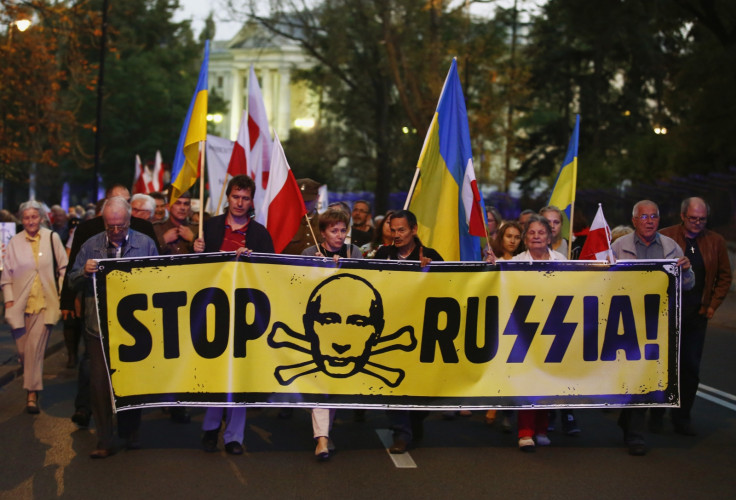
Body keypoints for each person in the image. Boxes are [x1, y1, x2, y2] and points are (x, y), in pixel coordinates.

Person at [61, 184, 159, 428]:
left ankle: (130, 430)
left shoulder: (145, 244)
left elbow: (160, 281)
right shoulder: (91, 245)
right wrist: (83, 272)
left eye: (121, 226)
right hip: (97, 326)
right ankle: (103, 436)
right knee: (98, 382)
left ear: (129, 220)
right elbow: (71, 280)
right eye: (110, 226)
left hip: (135, 328)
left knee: (131, 382)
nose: (115, 231)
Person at [193, 175, 274, 455]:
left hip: (246, 313)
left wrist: (253, 261)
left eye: (245, 198)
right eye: (236, 196)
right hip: (213, 309)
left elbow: (270, 274)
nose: (240, 203)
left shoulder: (260, 234)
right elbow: (194, 272)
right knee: (215, 371)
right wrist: (196, 251)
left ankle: (234, 437)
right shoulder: (209, 228)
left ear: (252, 201)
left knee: (240, 375)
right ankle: (210, 428)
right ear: (227, 197)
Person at [611, 199, 694, 456]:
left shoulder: (671, 247)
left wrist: (687, 271)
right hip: (626, 322)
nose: (649, 221)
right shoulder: (618, 247)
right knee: (631, 376)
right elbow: (601, 281)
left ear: (659, 220)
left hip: (658, 325)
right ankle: (630, 425)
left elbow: (687, 285)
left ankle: (634, 431)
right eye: (644, 217)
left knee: (647, 377)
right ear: (634, 220)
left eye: (653, 217)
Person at [658, 197, 731, 435]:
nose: (698, 223)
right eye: (693, 218)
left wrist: (712, 306)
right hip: (666, 314)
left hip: (696, 314)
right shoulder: (665, 236)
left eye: (702, 219)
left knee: (689, 368)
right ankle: (656, 414)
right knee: (662, 367)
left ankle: (682, 417)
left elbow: (724, 277)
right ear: (682, 216)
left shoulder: (715, 241)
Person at [374, 210, 442, 453]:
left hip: (423, 331)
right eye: (392, 230)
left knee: (421, 387)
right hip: (391, 332)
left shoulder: (431, 256)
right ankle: (401, 433)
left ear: (414, 230)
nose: (396, 235)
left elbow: (452, 285)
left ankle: (415, 420)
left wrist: (432, 272)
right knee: (393, 385)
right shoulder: (384, 254)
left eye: (401, 230)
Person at [300, 208, 363, 461]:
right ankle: (322, 440)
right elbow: (294, 284)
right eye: (334, 231)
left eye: (343, 230)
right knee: (322, 382)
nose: (339, 236)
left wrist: (344, 269)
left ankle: (324, 432)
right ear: (322, 232)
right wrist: (312, 269)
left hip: (347, 328)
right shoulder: (309, 252)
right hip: (318, 326)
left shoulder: (353, 252)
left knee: (333, 384)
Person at [2, 201, 67, 414]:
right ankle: (32, 384)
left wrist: (60, 295)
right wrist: (9, 301)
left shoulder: (52, 238)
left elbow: (63, 268)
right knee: (24, 352)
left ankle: (31, 394)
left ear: (41, 218)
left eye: (34, 217)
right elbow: (6, 276)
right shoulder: (14, 242)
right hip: (19, 306)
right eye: (26, 218)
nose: (31, 221)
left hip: (45, 304)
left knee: (34, 349)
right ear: (22, 220)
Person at [510, 215, 563, 451]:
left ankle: (542, 428)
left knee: (547, 379)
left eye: (541, 232)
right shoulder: (515, 261)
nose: (537, 237)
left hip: (555, 326)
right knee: (527, 379)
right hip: (524, 327)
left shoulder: (561, 260)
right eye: (531, 232)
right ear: (525, 237)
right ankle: (525, 432)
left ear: (549, 236)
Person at [282, 178, 322, 255]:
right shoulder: (285, 223)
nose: (304, 204)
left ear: (317, 198)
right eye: (301, 200)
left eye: (309, 201)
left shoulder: (325, 223)